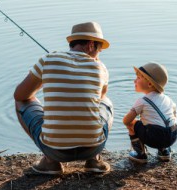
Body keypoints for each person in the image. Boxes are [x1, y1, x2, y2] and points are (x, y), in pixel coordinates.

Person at [14, 22, 114, 174]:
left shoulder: (48, 59)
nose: (98, 56)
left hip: (55, 150)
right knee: (106, 103)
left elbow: (20, 95)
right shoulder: (101, 68)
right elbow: (99, 98)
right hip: (92, 147)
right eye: (99, 51)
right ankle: (94, 160)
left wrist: (46, 81)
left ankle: (50, 161)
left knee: (21, 101)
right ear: (91, 45)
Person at [123, 62, 177, 164]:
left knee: (132, 123)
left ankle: (140, 154)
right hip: (173, 135)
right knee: (162, 123)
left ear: (149, 84)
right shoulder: (169, 100)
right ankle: (164, 151)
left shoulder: (142, 101)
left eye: (138, 78)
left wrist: (137, 121)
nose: (134, 80)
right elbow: (174, 117)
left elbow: (126, 120)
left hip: (154, 137)